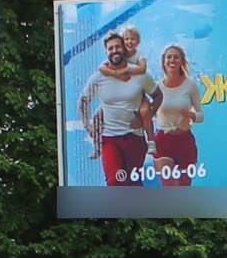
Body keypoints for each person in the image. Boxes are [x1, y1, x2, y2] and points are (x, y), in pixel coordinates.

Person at [79, 28, 153, 187]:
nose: (114, 51)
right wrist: (87, 125)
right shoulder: (99, 76)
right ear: (106, 51)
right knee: (115, 182)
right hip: (110, 139)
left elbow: (158, 96)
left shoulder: (139, 74)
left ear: (124, 48)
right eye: (110, 48)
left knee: (133, 184)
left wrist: (145, 117)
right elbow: (83, 101)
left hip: (135, 138)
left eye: (117, 47)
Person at [146, 46, 203, 186]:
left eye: (176, 57)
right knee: (170, 187)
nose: (172, 60)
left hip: (184, 141)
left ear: (181, 61)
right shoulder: (156, 87)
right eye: (169, 57)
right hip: (163, 141)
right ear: (164, 61)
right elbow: (149, 113)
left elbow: (201, 115)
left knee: (183, 188)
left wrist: (191, 115)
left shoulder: (190, 86)